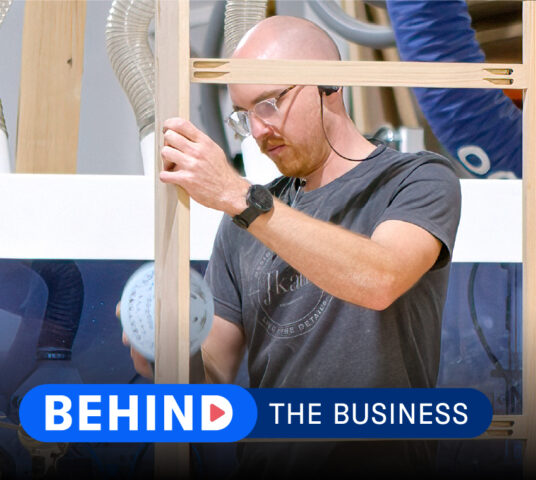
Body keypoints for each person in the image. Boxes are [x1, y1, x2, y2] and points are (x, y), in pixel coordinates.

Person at [122, 15, 461, 477]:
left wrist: (238, 195)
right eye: (244, 115)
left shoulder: (415, 180)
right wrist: (161, 345)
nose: (258, 131)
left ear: (329, 84)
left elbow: (380, 278)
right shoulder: (246, 222)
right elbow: (214, 375)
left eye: (269, 104)